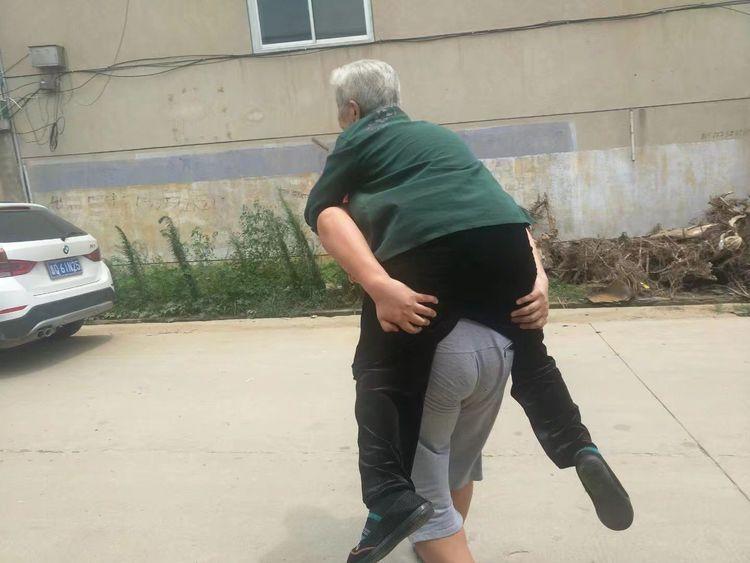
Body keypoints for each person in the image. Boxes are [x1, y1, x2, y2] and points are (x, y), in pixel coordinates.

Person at [304, 60, 633, 563]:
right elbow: (505, 213)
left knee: (378, 371)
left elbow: (324, 213)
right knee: (533, 355)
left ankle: (387, 496)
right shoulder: (440, 139)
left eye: (340, 114)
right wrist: (539, 279)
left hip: (432, 263)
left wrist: (379, 285)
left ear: (351, 109)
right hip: (507, 256)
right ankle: (577, 444)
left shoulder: (358, 139)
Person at [410, 319, 514, 563]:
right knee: (461, 462)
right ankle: (447, 543)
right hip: (497, 344)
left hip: (443, 349)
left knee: (427, 471)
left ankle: (441, 546)